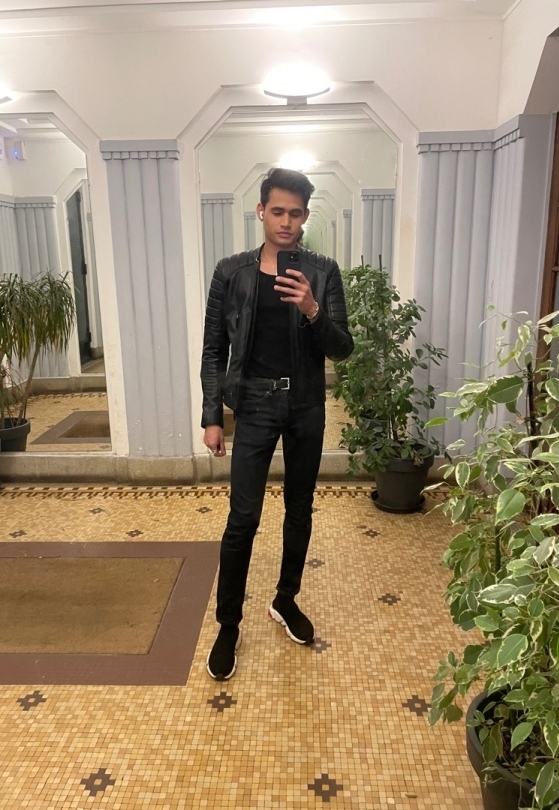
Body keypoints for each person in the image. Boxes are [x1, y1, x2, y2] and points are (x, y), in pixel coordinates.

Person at [201, 167, 353, 680]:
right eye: (278, 211)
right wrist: (213, 417)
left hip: (306, 405)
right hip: (253, 406)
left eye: (296, 213)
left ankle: (285, 599)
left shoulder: (324, 271)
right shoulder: (231, 272)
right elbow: (213, 350)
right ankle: (228, 624)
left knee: (300, 508)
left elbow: (342, 348)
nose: (286, 222)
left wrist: (312, 308)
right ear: (261, 211)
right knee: (242, 518)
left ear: (306, 217)